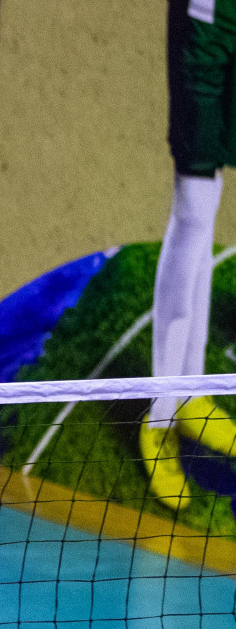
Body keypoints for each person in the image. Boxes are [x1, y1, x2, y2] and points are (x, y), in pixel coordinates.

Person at [143, 0, 236, 509]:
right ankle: (160, 414)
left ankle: (191, 393)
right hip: (204, 21)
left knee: (212, 200)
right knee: (195, 207)